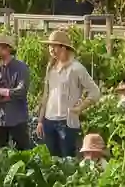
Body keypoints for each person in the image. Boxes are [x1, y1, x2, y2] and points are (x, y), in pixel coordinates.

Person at [36, 30, 101, 158]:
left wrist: (79, 108)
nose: (51, 49)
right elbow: (46, 95)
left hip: (67, 122)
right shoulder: (51, 68)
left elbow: (95, 92)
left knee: (67, 162)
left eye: (54, 46)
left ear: (63, 48)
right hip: (49, 121)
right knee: (52, 162)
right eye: (49, 46)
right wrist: (40, 120)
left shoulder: (76, 68)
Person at [0, 33, 32, 150]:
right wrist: (10, 96)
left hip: (18, 119)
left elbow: (21, 91)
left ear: (8, 48)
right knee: (1, 155)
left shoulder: (21, 68)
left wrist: (2, 92)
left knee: (23, 155)